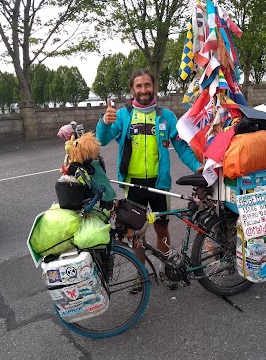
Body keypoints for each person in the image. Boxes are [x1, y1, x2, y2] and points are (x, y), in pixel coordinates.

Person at [96, 68, 203, 290]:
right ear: (132, 89)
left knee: (162, 228)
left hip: (159, 184)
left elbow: (181, 147)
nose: (143, 90)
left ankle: (168, 269)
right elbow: (102, 140)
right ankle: (141, 274)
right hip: (133, 184)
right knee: (137, 233)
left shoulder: (166, 116)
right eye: (139, 86)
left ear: (153, 87)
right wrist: (105, 122)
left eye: (147, 85)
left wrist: (197, 166)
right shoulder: (124, 115)